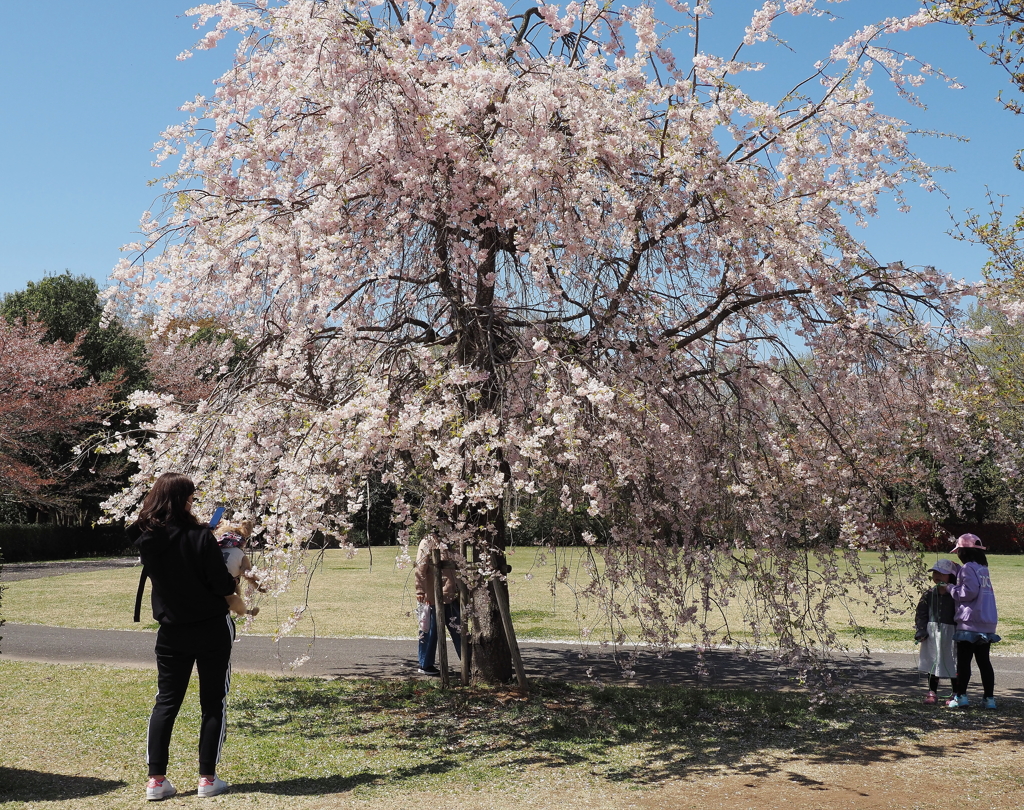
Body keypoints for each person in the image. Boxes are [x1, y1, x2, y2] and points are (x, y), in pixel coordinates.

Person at [131, 472, 239, 800]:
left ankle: (156, 781)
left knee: (166, 701)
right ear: (183, 499)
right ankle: (208, 778)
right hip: (210, 626)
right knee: (212, 702)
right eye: (190, 496)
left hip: (170, 631)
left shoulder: (145, 537)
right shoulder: (200, 536)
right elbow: (222, 585)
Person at [945, 533, 1001, 710]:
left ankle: (961, 697)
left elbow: (968, 593)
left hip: (970, 622)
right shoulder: (982, 569)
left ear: (963, 552)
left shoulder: (967, 568)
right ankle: (989, 699)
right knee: (984, 662)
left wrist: (950, 588)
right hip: (987, 621)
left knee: (964, 662)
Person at [914, 558, 960, 705]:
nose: (937, 576)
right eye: (935, 573)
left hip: (951, 632)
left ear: (951, 576)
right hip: (932, 632)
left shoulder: (956, 594)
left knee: (953, 661)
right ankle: (932, 692)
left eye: (942, 573)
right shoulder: (929, 594)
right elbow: (921, 613)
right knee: (932, 662)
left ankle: (956, 693)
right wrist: (921, 629)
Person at [414, 536, 462, 675]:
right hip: (432, 595)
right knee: (429, 631)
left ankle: (468, 663)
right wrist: (420, 590)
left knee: (459, 630)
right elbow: (420, 567)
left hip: (452, 594)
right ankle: (425, 664)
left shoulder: (454, 540)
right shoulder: (427, 541)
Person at [217, 519, 261, 618]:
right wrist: (258, 585)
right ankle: (244, 611)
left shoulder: (215, 550)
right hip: (227, 590)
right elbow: (247, 573)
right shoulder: (240, 554)